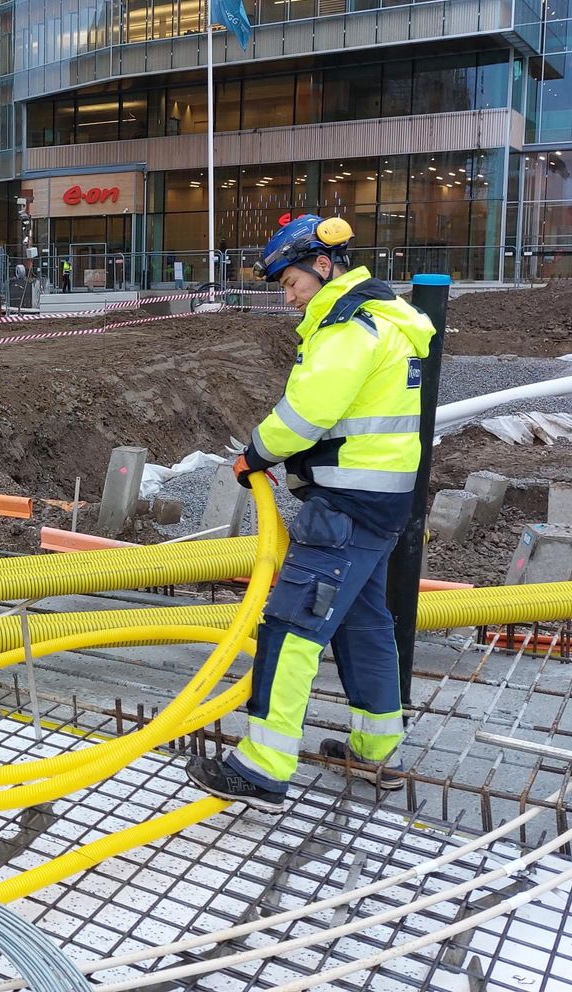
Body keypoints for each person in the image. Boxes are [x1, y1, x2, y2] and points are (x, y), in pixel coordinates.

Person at [185, 214, 434, 814]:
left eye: (292, 283)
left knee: (290, 627)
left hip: (344, 505)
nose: (289, 297)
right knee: (363, 623)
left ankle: (262, 769)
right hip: (382, 502)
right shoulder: (389, 319)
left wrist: (254, 454)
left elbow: (306, 414)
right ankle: (376, 750)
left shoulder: (349, 328)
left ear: (324, 266)